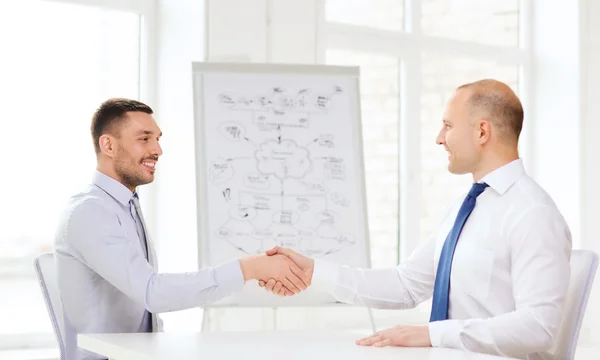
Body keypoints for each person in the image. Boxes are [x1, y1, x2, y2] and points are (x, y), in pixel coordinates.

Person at [259, 79, 572, 360]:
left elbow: (538, 327)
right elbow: (406, 284)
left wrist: (432, 335)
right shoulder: (464, 208)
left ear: (481, 131)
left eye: (448, 126)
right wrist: (313, 272)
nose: (439, 138)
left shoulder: (533, 214)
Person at [53, 98, 310, 360]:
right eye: (144, 139)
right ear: (108, 145)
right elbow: (151, 292)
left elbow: (146, 314)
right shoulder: (90, 212)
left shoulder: (126, 206)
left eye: (158, 138)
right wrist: (248, 268)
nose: (158, 150)